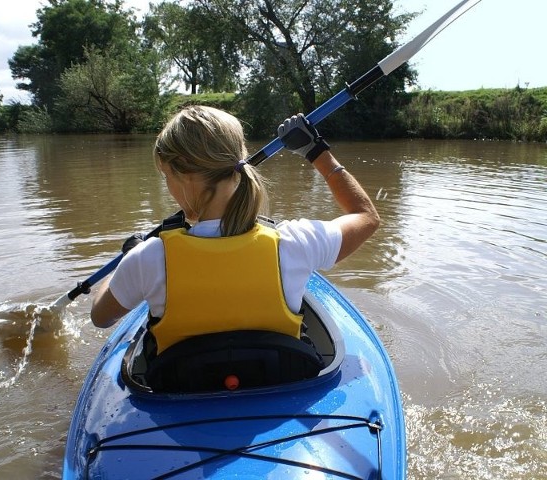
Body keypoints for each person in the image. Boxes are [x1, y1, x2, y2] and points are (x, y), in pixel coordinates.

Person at [91, 105, 379, 357]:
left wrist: (129, 256)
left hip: (182, 391)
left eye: (167, 177)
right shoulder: (296, 243)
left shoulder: (148, 259)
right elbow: (366, 216)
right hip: (277, 383)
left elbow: (100, 317)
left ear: (184, 178)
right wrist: (316, 152)